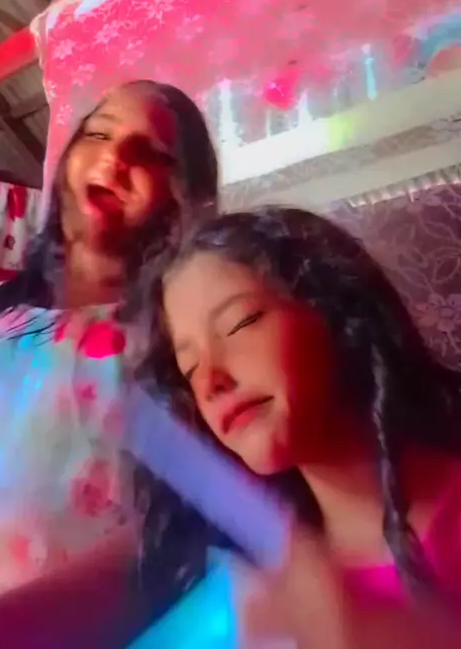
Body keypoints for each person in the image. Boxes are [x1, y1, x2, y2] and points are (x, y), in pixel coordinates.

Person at [134, 206, 461, 645]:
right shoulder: (265, 582)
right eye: (189, 368)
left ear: (333, 311)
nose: (210, 380)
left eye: (240, 324)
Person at [0, 79, 218, 647]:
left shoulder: (181, 333)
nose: (115, 158)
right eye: (99, 134)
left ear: (185, 197)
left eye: (151, 152)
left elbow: (171, 532)